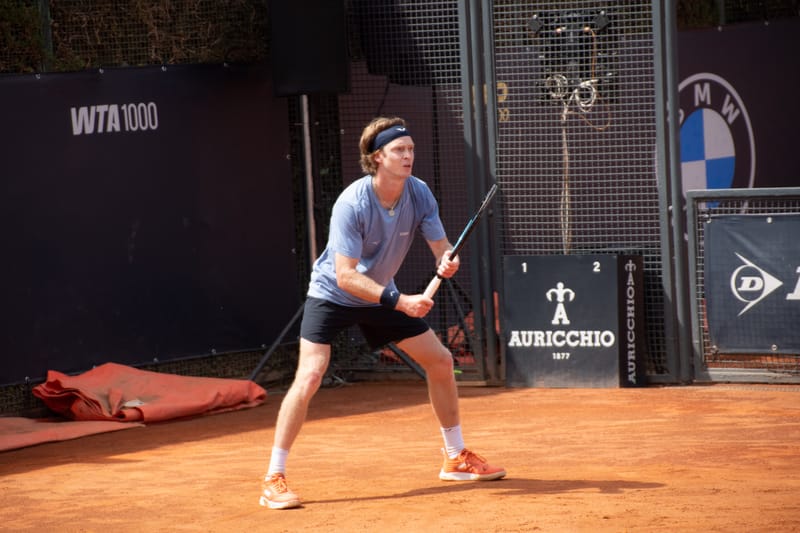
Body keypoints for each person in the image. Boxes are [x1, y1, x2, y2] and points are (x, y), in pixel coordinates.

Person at [260, 116, 506, 510]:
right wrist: (400, 301)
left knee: (441, 362)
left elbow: (442, 247)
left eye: (410, 149)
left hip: (382, 296)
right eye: (399, 150)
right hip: (333, 295)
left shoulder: (419, 193)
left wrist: (447, 261)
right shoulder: (352, 203)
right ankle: (274, 477)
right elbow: (345, 276)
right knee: (309, 376)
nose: (408, 156)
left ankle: (455, 457)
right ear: (378, 157)